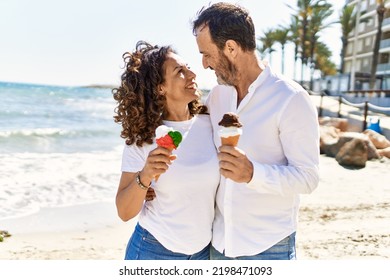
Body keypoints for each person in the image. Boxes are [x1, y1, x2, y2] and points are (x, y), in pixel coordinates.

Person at [192, 2, 320, 260]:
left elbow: (308, 178)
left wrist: (253, 174)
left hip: (267, 247)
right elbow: (191, 142)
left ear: (231, 48)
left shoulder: (290, 98)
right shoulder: (216, 97)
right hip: (218, 245)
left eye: (207, 54)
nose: (204, 64)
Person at [112, 41, 220, 260]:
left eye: (188, 67)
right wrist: (146, 176)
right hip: (154, 250)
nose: (192, 74)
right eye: (180, 71)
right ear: (160, 88)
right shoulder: (142, 139)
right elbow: (124, 212)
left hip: (203, 253)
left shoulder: (212, 121)